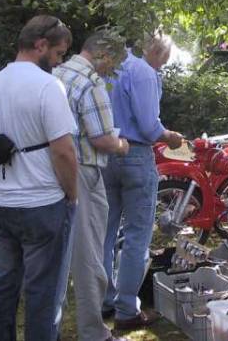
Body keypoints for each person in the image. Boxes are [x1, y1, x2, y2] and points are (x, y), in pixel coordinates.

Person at [0, 15, 78, 341]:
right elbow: (64, 152)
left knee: (0, 289)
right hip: (42, 205)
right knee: (41, 294)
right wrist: (72, 194)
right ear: (40, 45)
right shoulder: (48, 86)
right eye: (57, 54)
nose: (57, 63)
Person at [102, 31, 183, 331]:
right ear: (158, 52)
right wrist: (170, 137)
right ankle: (126, 309)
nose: (163, 65)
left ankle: (105, 299)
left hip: (106, 153)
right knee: (137, 235)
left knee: (107, 232)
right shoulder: (144, 72)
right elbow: (150, 128)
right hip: (135, 155)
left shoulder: (113, 65)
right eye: (165, 58)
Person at [54, 31, 131, 341]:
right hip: (84, 171)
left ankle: (50, 328)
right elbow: (102, 139)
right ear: (104, 55)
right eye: (114, 61)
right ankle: (93, 332)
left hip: (52, 172)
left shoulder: (57, 73)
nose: (112, 68)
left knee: (57, 256)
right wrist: (123, 145)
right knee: (88, 257)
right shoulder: (90, 82)